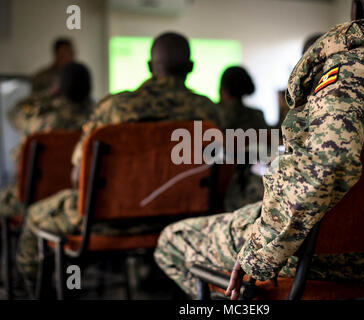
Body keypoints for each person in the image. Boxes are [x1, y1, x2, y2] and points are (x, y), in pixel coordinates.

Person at [154, 0, 364, 299]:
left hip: (315, 255)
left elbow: (327, 163)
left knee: (171, 240)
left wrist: (257, 252)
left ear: (358, 10)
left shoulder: (356, 62)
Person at [15, 32, 222, 294]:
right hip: (185, 221)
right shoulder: (209, 112)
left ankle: (28, 291)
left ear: (149, 67)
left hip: (106, 222)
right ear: (191, 68)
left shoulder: (115, 107)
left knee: (34, 216)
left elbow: (78, 177)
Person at [0, 62, 93, 220]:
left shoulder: (42, 120)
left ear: (58, 88)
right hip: (80, 197)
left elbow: (13, 114)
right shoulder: (95, 120)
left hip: (35, 197)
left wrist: (50, 94)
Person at [218, 66, 269, 211]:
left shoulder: (217, 117)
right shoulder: (258, 116)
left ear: (222, 90)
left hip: (224, 194)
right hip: (256, 193)